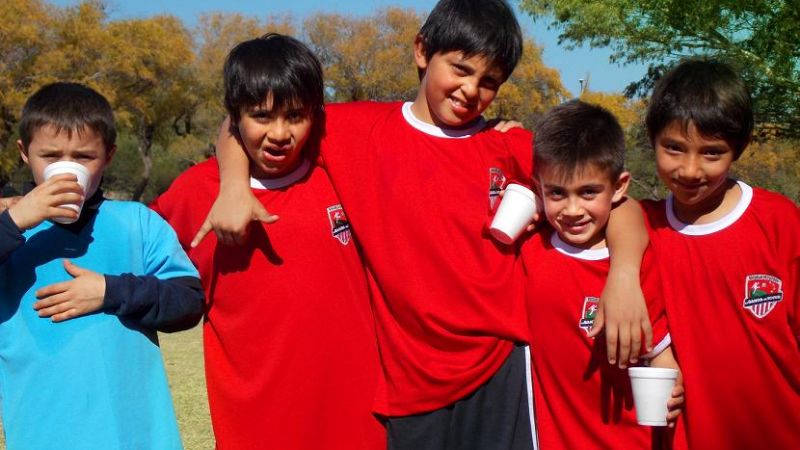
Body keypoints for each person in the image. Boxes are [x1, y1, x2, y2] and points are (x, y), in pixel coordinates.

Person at [200, 1, 653, 448]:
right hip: (409, 384)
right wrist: (234, 185)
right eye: (460, 69)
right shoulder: (354, 131)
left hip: (499, 368)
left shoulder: (508, 145)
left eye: (489, 81)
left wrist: (624, 276)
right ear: (422, 51)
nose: (470, 90)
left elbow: (618, 203)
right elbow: (243, 116)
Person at [150, 34, 385, 450]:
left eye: (295, 116)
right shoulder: (195, 192)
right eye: (261, 116)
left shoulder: (340, 171)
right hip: (254, 428)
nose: (279, 133)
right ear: (235, 116)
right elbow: (132, 258)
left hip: (356, 424)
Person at [0, 82, 204, 449]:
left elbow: (188, 302)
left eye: (83, 157)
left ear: (108, 155)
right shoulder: (9, 229)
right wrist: (14, 222)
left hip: (138, 436)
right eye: (51, 155)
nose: (67, 168)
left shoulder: (138, 223)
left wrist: (111, 291)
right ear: (24, 153)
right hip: (42, 432)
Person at [640, 59, 800, 449]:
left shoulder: (780, 222)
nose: (690, 170)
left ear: (738, 149)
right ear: (651, 139)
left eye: (712, 153)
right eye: (674, 148)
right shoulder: (642, 227)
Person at [523, 100, 684, 449]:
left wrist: (671, 388)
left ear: (620, 186)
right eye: (557, 193)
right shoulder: (529, 250)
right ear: (538, 188)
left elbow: (660, 352)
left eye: (588, 192)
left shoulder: (640, 263)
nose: (572, 209)